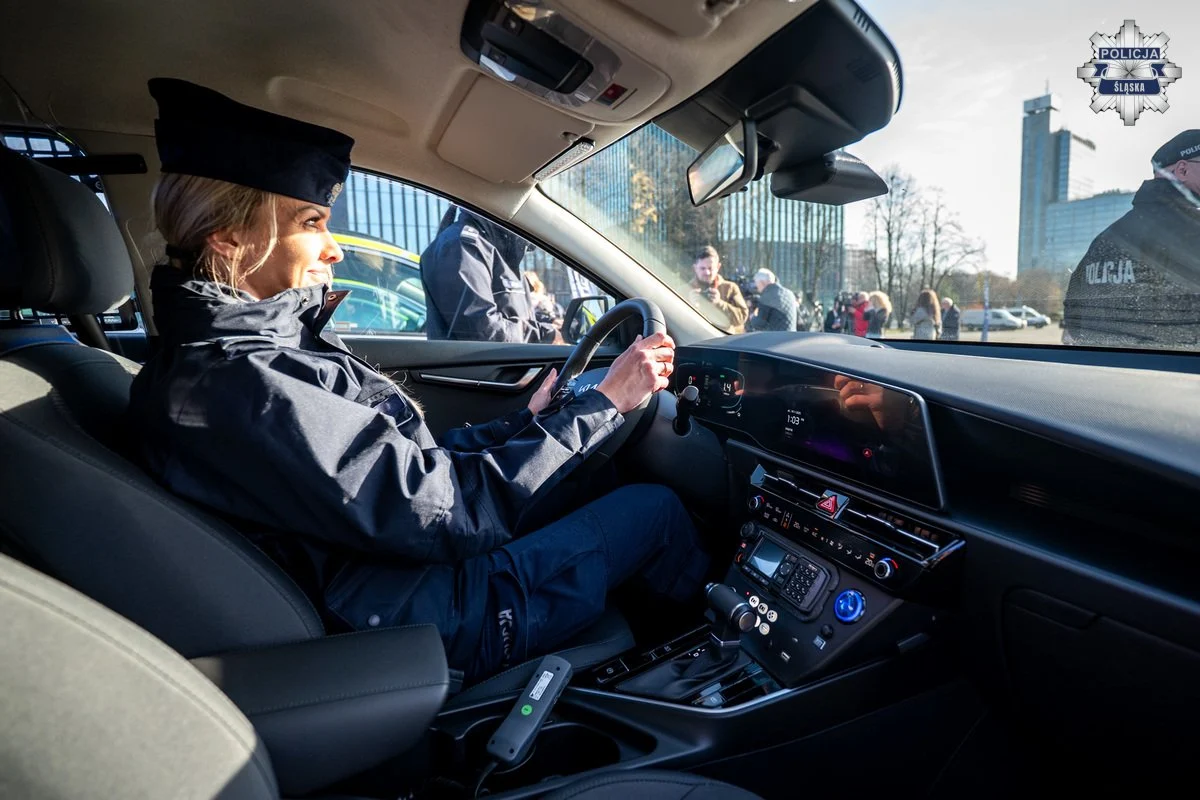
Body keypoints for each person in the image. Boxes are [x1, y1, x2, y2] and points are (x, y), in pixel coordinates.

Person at [127, 78, 710, 684]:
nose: (334, 249)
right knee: (657, 510)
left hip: (395, 579)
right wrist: (606, 403)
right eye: (311, 221)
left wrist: (529, 422)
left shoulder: (242, 360)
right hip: (436, 611)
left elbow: (398, 475)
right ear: (229, 236)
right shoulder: (243, 384)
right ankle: (713, 671)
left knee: (597, 479)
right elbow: (442, 512)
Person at [1063, 130, 1200, 349]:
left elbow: (1073, 324)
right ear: (1182, 169)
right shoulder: (1193, 231)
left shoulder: (1104, 240)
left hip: (1100, 377)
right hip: (1173, 379)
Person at [420, 205, 561, 342]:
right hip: (483, 365)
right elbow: (483, 331)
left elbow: (511, 314)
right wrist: (545, 335)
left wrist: (549, 325)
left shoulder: (498, 248)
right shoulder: (462, 246)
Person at [689, 246, 749, 332]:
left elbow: (742, 317)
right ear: (695, 268)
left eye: (710, 268)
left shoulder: (730, 288)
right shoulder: (684, 291)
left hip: (722, 339)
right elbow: (674, 320)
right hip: (694, 338)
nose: (707, 272)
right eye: (702, 268)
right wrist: (689, 304)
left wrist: (720, 304)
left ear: (718, 267)